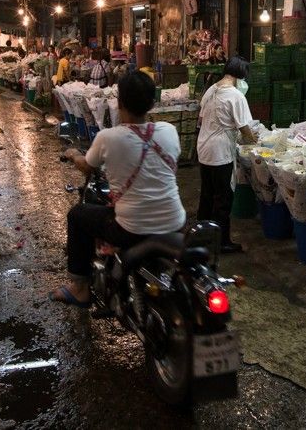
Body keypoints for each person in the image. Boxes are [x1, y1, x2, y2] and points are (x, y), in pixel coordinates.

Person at [53, 71, 185, 306]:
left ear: (119, 103)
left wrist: (73, 154)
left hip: (132, 229)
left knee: (77, 215)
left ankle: (80, 288)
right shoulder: (169, 130)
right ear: (152, 103)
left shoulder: (108, 137)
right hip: (175, 222)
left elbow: (87, 165)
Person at [196, 56, 257, 253]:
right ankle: (221, 242)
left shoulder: (210, 90)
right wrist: (253, 141)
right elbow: (245, 128)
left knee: (207, 194)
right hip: (220, 151)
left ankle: (201, 236)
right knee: (223, 199)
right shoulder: (236, 96)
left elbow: (201, 120)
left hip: (204, 148)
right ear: (240, 75)